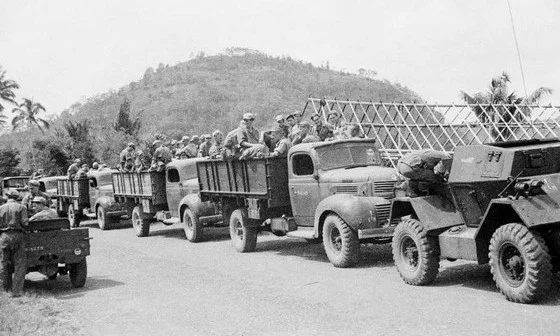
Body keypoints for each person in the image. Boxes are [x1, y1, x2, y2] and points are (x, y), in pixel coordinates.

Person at [0, 189, 29, 297]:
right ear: (17, 197)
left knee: (2, 263)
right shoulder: (22, 207)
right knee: (20, 264)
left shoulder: (1, 208)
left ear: (7, 196)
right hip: (18, 236)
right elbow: (25, 223)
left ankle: (3, 290)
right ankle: (16, 292)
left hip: (4, 236)